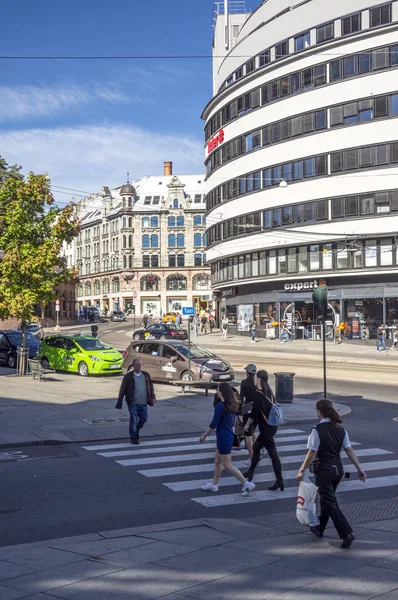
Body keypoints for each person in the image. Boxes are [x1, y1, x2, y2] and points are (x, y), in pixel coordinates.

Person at [297, 399, 366, 548]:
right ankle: (320, 529)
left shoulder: (317, 430)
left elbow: (312, 453)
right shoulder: (341, 429)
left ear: (319, 412)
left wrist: (302, 469)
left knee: (330, 502)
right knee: (327, 500)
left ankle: (346, 533)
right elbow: (349, 451)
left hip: (324, 470)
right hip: (337, 469)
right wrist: (360, 469)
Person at [200, 383, 256, 496]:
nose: (217, 390)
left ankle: (246, 483)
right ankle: (214, 484)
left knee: (227, 464)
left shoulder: (220, 406)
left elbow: (213, 424)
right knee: (217, 461)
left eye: (218, 389)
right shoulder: (232, 404)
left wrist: (204, 435)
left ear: (221, 392)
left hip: (223, 437)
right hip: (228, 435)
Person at [244, 370, 283, 490]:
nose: (254, 379)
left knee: (273, 454)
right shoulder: (269, 392)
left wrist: (247, 425)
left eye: (256, 378)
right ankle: (250, 471)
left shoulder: (258, 394)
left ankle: (279, 480)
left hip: (266, 429)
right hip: (271, 426)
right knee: (256, 448)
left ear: (260, 380)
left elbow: (254, 413)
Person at [115, 358, 156, 445]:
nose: (139, 367)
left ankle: (136, 430)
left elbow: (150, 386)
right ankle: (133, 438)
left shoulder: (145, 375)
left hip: (143, 402)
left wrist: (153, 396)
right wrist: (119, 402)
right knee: (133, 419)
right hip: (133, 403)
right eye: (137, 365)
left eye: (140, 365)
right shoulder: (128, 377)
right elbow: (122, 389)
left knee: (144, 418)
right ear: (133, 366)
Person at [240, 364, 257, 463]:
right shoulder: (257, 382)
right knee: (253, 431)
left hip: (247, 410)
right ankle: (258, 450)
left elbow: (241, 397)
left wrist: (238, 408)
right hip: (257, 410)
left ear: (247, 372)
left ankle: (252, 457)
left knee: (248, 435)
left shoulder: (244, 382)